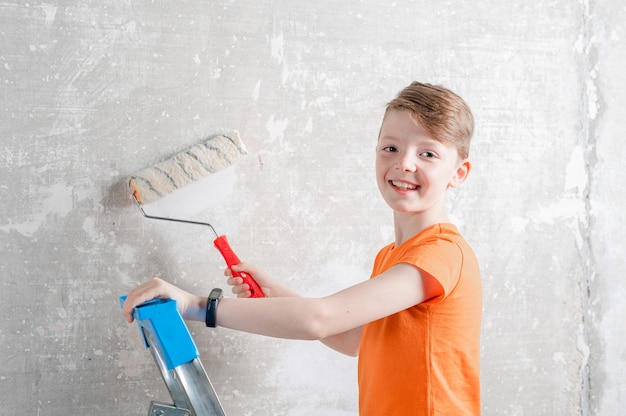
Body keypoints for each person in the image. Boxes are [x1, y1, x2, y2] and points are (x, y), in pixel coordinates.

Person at [122, 81, 482, 415]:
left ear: (459, 173)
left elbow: (318, 319)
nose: (404, 162)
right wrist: (278, 294)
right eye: (391, 147)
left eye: (428, 154)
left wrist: (196, 305)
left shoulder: (442, 254)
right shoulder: (392, 257)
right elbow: (355, 339)